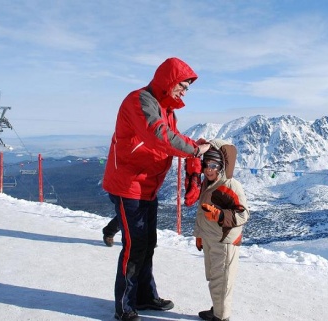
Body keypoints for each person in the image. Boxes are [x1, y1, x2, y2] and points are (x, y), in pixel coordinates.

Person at [102, 57, 210, 321]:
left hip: (147, 185)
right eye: (183, 85)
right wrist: (195, 149)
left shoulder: (166, 109)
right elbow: (159, 136)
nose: (185, 91)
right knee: (134, 245)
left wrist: (193, 149)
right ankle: (125, 307)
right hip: (129, 185)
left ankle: (144, 296)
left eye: (187, 87)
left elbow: (172, 138)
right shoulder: (139, 101)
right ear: (169, 81)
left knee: (148, 243)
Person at [193, 139, 250, 321]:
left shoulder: (230, 185)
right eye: (206, 164)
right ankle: (217, 309)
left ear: (222, 166)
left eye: (213, 165)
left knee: (222, 281)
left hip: (224, 242)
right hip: (210, 238)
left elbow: (243, 215)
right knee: (213, 278)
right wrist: (199, 235)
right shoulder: (207, 183)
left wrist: (219, 215)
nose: (208, 169)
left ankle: (222, 317)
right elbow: (201, 213)